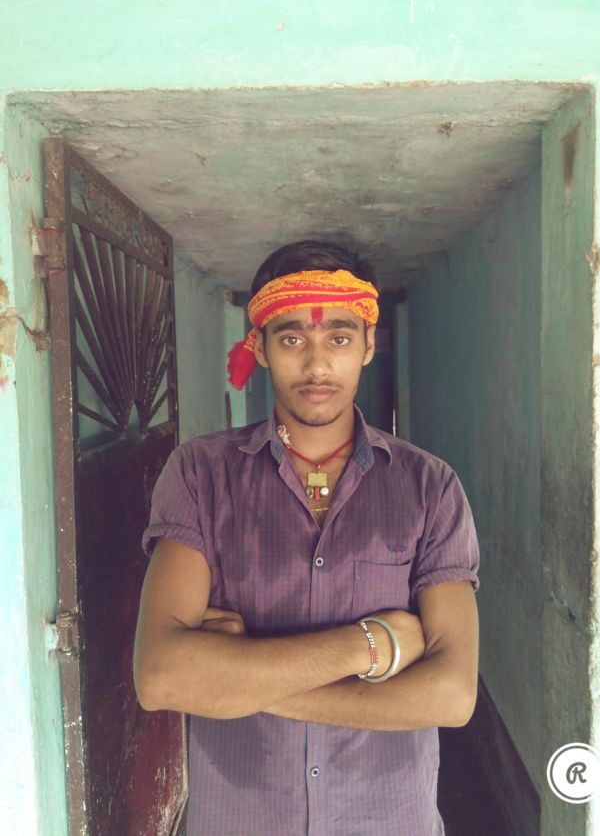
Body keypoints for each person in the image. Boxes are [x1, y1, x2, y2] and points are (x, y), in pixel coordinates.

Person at [133, 239, 480, 836]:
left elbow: (451, 695)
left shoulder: (430, 487)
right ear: (260, 348)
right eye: (292, 339)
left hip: (386, 818)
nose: (317, 366)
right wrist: (367, 647)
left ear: (368, 345)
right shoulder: (200, 475)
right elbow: (162, 677)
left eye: (339, 339)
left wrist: (237, 680)